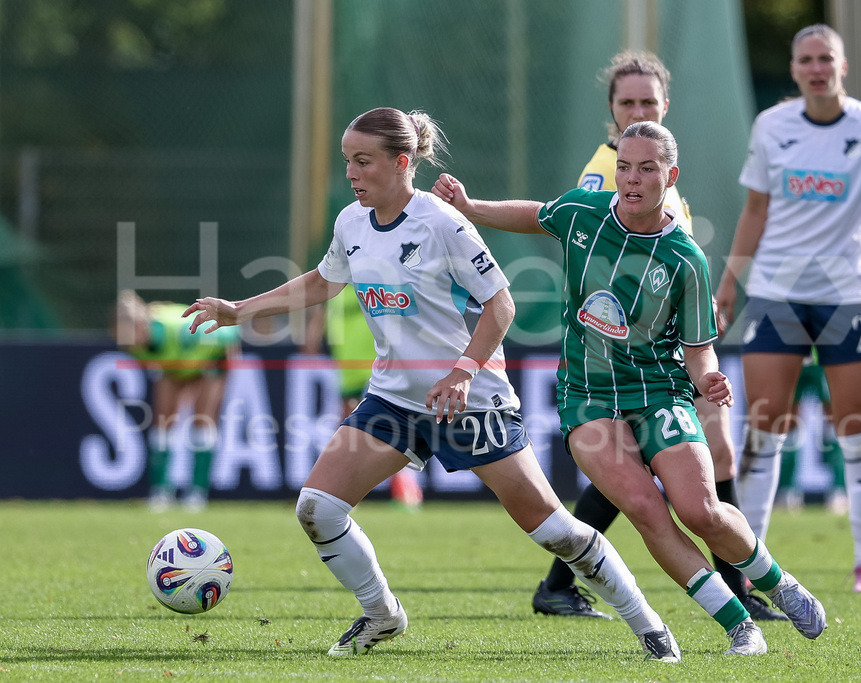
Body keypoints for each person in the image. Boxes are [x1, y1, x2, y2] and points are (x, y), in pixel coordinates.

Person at [184, 107, 683, 662]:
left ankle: (649, 626)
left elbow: (502, 304)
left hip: (471, 403)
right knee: (317, 507)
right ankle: (381, 614)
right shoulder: (351, 222)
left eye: (362, 161)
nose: (351, 172)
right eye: (347, 160)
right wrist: (239, 310)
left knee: (554, 532)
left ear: (402, 163)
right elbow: (323, 282)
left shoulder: (443, 223)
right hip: (394, 399)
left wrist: (462, 372)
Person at [433, 120, 827, 656]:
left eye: (646, 169)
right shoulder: (585, 212)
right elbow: (537, 214)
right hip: (586, 395)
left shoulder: (685, 257)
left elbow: (696, 347)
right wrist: (472, 207)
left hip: (660, 390)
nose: (631, 179)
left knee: (701, 511)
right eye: (624, 167)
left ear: (671, 176)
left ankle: (776, 581)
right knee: (644, 508)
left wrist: (706, 377)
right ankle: (739, 625)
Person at [533, 50, 785, 624]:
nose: (638, 109)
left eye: (648, 101)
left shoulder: (658, 165)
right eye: (628, 102)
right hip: (635, 358)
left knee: (683, 466)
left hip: (671, 347)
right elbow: (605, 256)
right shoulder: (610, 170)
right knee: (657, 474)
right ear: (611, 111)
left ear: (665, 105)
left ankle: (562, 582)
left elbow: (672, 254)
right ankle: (739, 593)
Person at [715, 24, 861, 595]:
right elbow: (755, 209)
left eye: (825, 58)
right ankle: (750, 568)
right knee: (765, 425)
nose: (816, 68)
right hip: (777, 292)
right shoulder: (771, 126)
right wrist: (730, 281)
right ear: (795, 68)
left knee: (854, 424)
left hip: (849, 293)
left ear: (842, 66)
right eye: (806, 59)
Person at [114, 289, 239, 512]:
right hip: (177, 363)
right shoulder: (134, 345)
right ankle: (161, 492)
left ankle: (197, 493)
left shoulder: (175, 330)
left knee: (202, 421)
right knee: (163, 422)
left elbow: (226, 337)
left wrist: (208, 374)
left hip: (211, 356)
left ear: (141, 325)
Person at [304, 284, 424, 509]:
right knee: (351, 433)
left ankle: (407, 492)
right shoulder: (334, 287)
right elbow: (318, 320)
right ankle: (344, 493)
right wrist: (313, 334)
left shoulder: (371, 280)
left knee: (391, 428)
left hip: (378, 367)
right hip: (347, 368)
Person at [774, 353, 848, 515]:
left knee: (832, 417)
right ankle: (787, 490)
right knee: (789, 421)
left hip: (822, 355)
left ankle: (839, 490)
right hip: (794, 354)